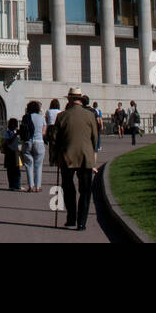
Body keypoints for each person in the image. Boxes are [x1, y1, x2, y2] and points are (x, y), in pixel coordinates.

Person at [54, 88, 98, 230]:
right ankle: (81, 222)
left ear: (71, 100)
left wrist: (56, 155)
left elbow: (56, 139)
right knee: (85, 190)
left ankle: (71, 217)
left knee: (68, 188)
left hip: (67, 156)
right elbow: (95, 139)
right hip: (86, 156)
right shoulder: (90, 115)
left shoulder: (62, 116)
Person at [20, 100, 45, 192]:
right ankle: (38, 186)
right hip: (39, 142)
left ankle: (30, 185)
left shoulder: (25, 117)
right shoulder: (41, 117)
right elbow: (44, 131)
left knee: (28, 165)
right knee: (38, 165)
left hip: (27, 142)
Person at [0, 118, 22, 190]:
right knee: (12, 170)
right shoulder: (8, 133)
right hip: (12, 152)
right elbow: (9, 142)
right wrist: (16, 134)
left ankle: (15, 185)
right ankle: (14, 185)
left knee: (15, 170)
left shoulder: (12, 132)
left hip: (13, 152)